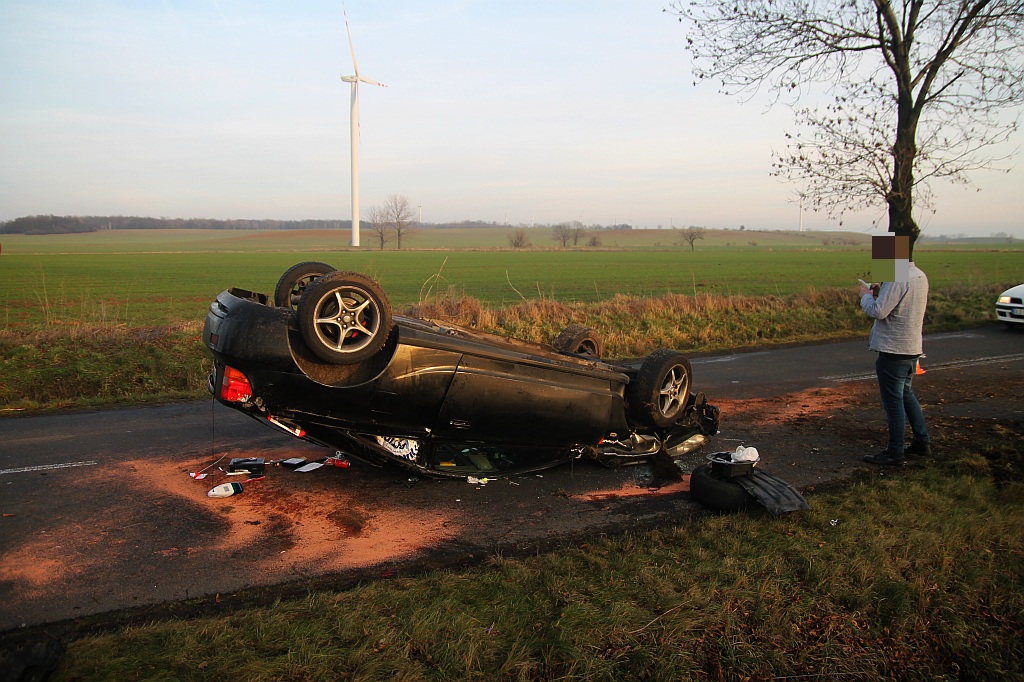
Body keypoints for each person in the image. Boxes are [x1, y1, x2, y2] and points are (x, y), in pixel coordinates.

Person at [859, 237, 931, 465]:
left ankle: (895, 452)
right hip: (911, 348)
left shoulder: (896, 276)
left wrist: (866, 296)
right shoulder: (919, 274)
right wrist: (883, 290)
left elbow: (879, 311)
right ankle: (922, 441)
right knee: (906, 395)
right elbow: (901, 302)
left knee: (894, 403)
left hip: (893, 349)